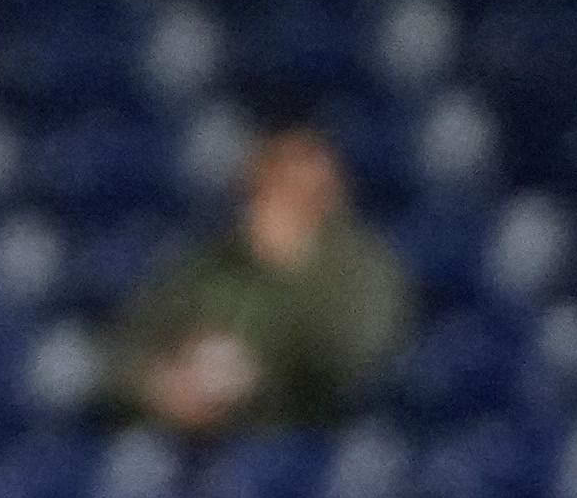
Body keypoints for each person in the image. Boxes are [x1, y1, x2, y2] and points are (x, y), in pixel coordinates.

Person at [105, 126, 409, 439]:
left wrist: (291, 267)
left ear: (326, 195)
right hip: (199, 441)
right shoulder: (209, 263)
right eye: (263, 188)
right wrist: (162, 389)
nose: (267, 203)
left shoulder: (363, 268)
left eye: (291, 190)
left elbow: (354, 360)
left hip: (313, 438)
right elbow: (128, 348)